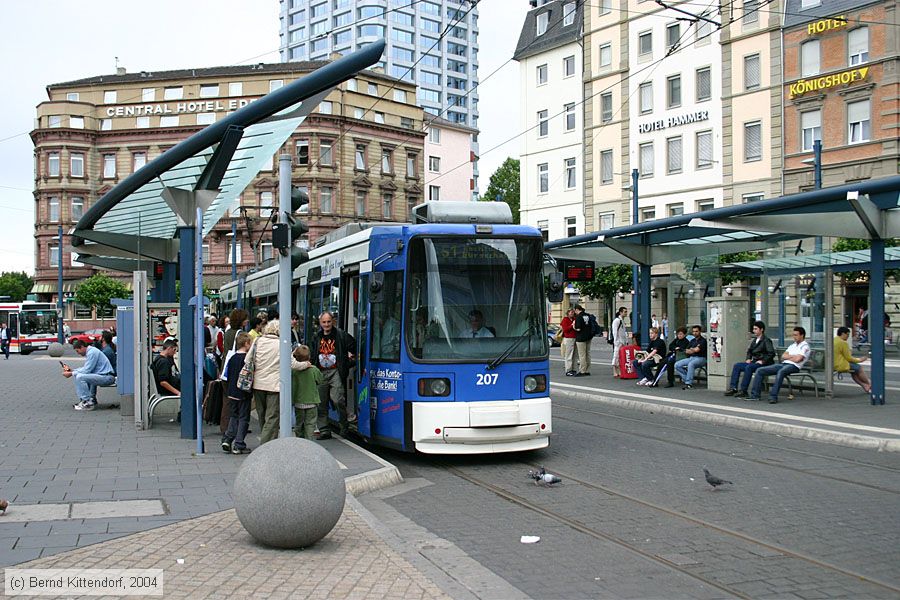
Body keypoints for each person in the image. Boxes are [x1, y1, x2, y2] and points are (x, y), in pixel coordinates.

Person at [251, 319, 313, 445]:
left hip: (258, 384)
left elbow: (248, 361)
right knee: (272, 417)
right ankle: (266, 445)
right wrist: (306, 364)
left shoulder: (257, 341)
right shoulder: (282, 344)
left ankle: (266, 437)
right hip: (274, 386)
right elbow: (293, 364)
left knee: (262, 414)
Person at [311, 311, 356, 439]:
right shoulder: (316, 337)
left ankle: (344, 424)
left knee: (338, 399)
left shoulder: (341, 335)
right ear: (320, 323)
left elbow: (355, 347)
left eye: (329, 321)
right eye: (324, 322)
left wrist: (349, 363)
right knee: (321, 402)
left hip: (336, 371)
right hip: (320, 372)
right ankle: (324, 430)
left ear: (333, 322)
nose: (326, 324)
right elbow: (313, 353)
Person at [748, 326, 811, 403]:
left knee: (781, 372)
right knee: (760, 370)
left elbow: (798, 360)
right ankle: (755, 395)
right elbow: (783, 356)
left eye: (796, 335)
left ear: (802, 335)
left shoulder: (805, 346)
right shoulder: (793, 345)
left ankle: (773, 396)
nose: (794, 337)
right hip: (784, 364)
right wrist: (793, 356)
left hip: (794, 366)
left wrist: (789, 357)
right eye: (793, 335)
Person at [724, 321, 775, 398]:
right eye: (753, 329)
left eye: (756, 329)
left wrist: (763, 360)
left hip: (764, 363)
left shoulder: (766, 340)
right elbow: (749, 351)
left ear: (761, 330)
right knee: (737, 366)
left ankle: (744, 390)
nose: (754, 331)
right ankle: (733, 388)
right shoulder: (755, 340)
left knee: (749, 367)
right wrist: (748, 358)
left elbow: (771, 353)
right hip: (754, 361)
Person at [221, 332, 253, 455]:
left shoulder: (233, 358)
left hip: (232, 392)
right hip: (243, 393)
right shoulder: (246, 359)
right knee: (243, 418)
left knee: (234, 416)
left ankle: (228, 439)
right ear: (246, 344)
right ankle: (239, 444)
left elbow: (227, 375)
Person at [63, 339, 115, 411]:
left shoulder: (92, 353)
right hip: (104, 376)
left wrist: (71, 373)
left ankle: (87, 402)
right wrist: (73, 371)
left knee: (80, 377)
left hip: (107, 377)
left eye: (78, 351)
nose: (78, 353)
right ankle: (84, 401)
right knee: (78, 375)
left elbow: (87, 370)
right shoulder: (91, 351)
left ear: (82, 347)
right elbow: (86, 368)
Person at [292, 344, 323, 440]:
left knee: (299, 423)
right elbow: (320, 381)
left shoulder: (293, 371)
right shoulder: (314, 370)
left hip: (298, 402)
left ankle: (299, 440)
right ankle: (309, 441)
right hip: (312, 401)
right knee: (310, 424)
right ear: (309, 356)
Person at [834, 326, 871, 394]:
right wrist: (860, 360)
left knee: (854, 371)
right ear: (843, 334)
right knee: (859, 368)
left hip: (833, 363)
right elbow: (849, 358)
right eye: (847, 334)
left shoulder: (834, 340)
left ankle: (865, 385)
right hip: (840, 364)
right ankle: (869, 384)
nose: (848, 337)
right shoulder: (843, 343)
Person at [675, 325, 708, 389]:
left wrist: (692, 350)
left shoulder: (703, 341)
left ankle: (688, 383)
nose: (695, 333)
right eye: (693, 331)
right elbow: (687, 351)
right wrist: (693, 350)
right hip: (691, 358)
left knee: (691, 364)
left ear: (700, 332)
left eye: (696, 331)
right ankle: (687, 378)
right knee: (677, 365)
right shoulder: (692, 341)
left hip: (701, 358)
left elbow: (696, 350)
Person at [572, 305, 592, 377]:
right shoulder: (588, 316)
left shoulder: (579, 317)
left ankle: (582, 370)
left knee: (582, 355)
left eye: (575, 311)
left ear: (577, 309)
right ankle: (587, 370)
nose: (575, 312)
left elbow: (578, 329)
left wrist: (574, 326)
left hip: (581, 337)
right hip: (588, 336)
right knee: (588, 353)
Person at [610, 307, 628, 377]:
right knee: (616, 355)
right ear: (620, 312)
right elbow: (615, 332)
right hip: (618, 341)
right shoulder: (617, 321)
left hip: (622, 341)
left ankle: (619, 369)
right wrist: (616, 341)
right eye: (625, 312)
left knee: (620, 356)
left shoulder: (622, 321)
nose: (626, 313)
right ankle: (615, 369)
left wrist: (626, 341)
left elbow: (624, 332)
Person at [560, 308, 578, 376]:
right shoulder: (565, 320)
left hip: (575, 338)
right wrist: (572, 325)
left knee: (574, 355)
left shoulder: (574, 319)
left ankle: (574, 369)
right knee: (569, 355)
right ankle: (568, 370)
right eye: (571, 312)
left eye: (573, 312)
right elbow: (565, 329)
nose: (572, 313)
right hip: (568, 338)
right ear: (568, 313)